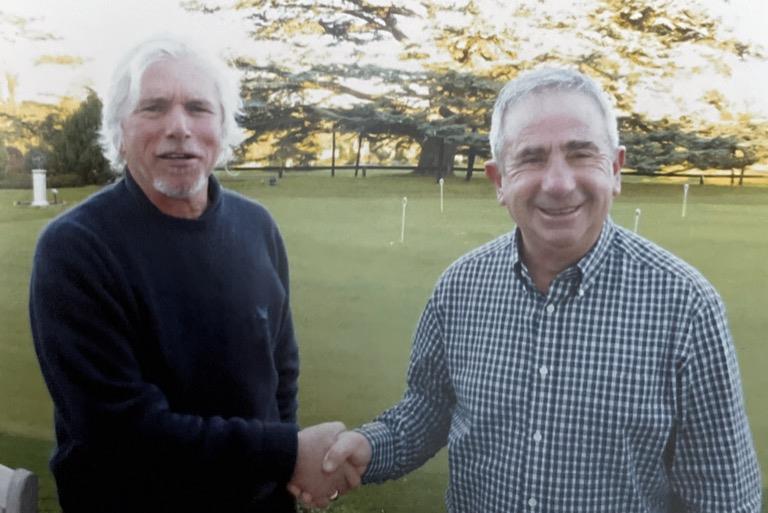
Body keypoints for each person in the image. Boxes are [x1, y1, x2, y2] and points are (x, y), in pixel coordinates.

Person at [315, 68, 763, 512]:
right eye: (531, 158)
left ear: (616, 169)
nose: (558, 183)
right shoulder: (460, 288)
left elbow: (722, 496)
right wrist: (368, 446)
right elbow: (429, 409)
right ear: (499, 181)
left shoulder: (686, 306)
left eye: (581, 153)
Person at [29, 36, 351, 513]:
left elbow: (280, 374)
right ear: (119, 129)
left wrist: (285, 472)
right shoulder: (76, 248)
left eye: (199, 108)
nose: (179, 127)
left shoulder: (256, 226)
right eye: (154, 108)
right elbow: (119, 431)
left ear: (223, 127)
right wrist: (286, 452)